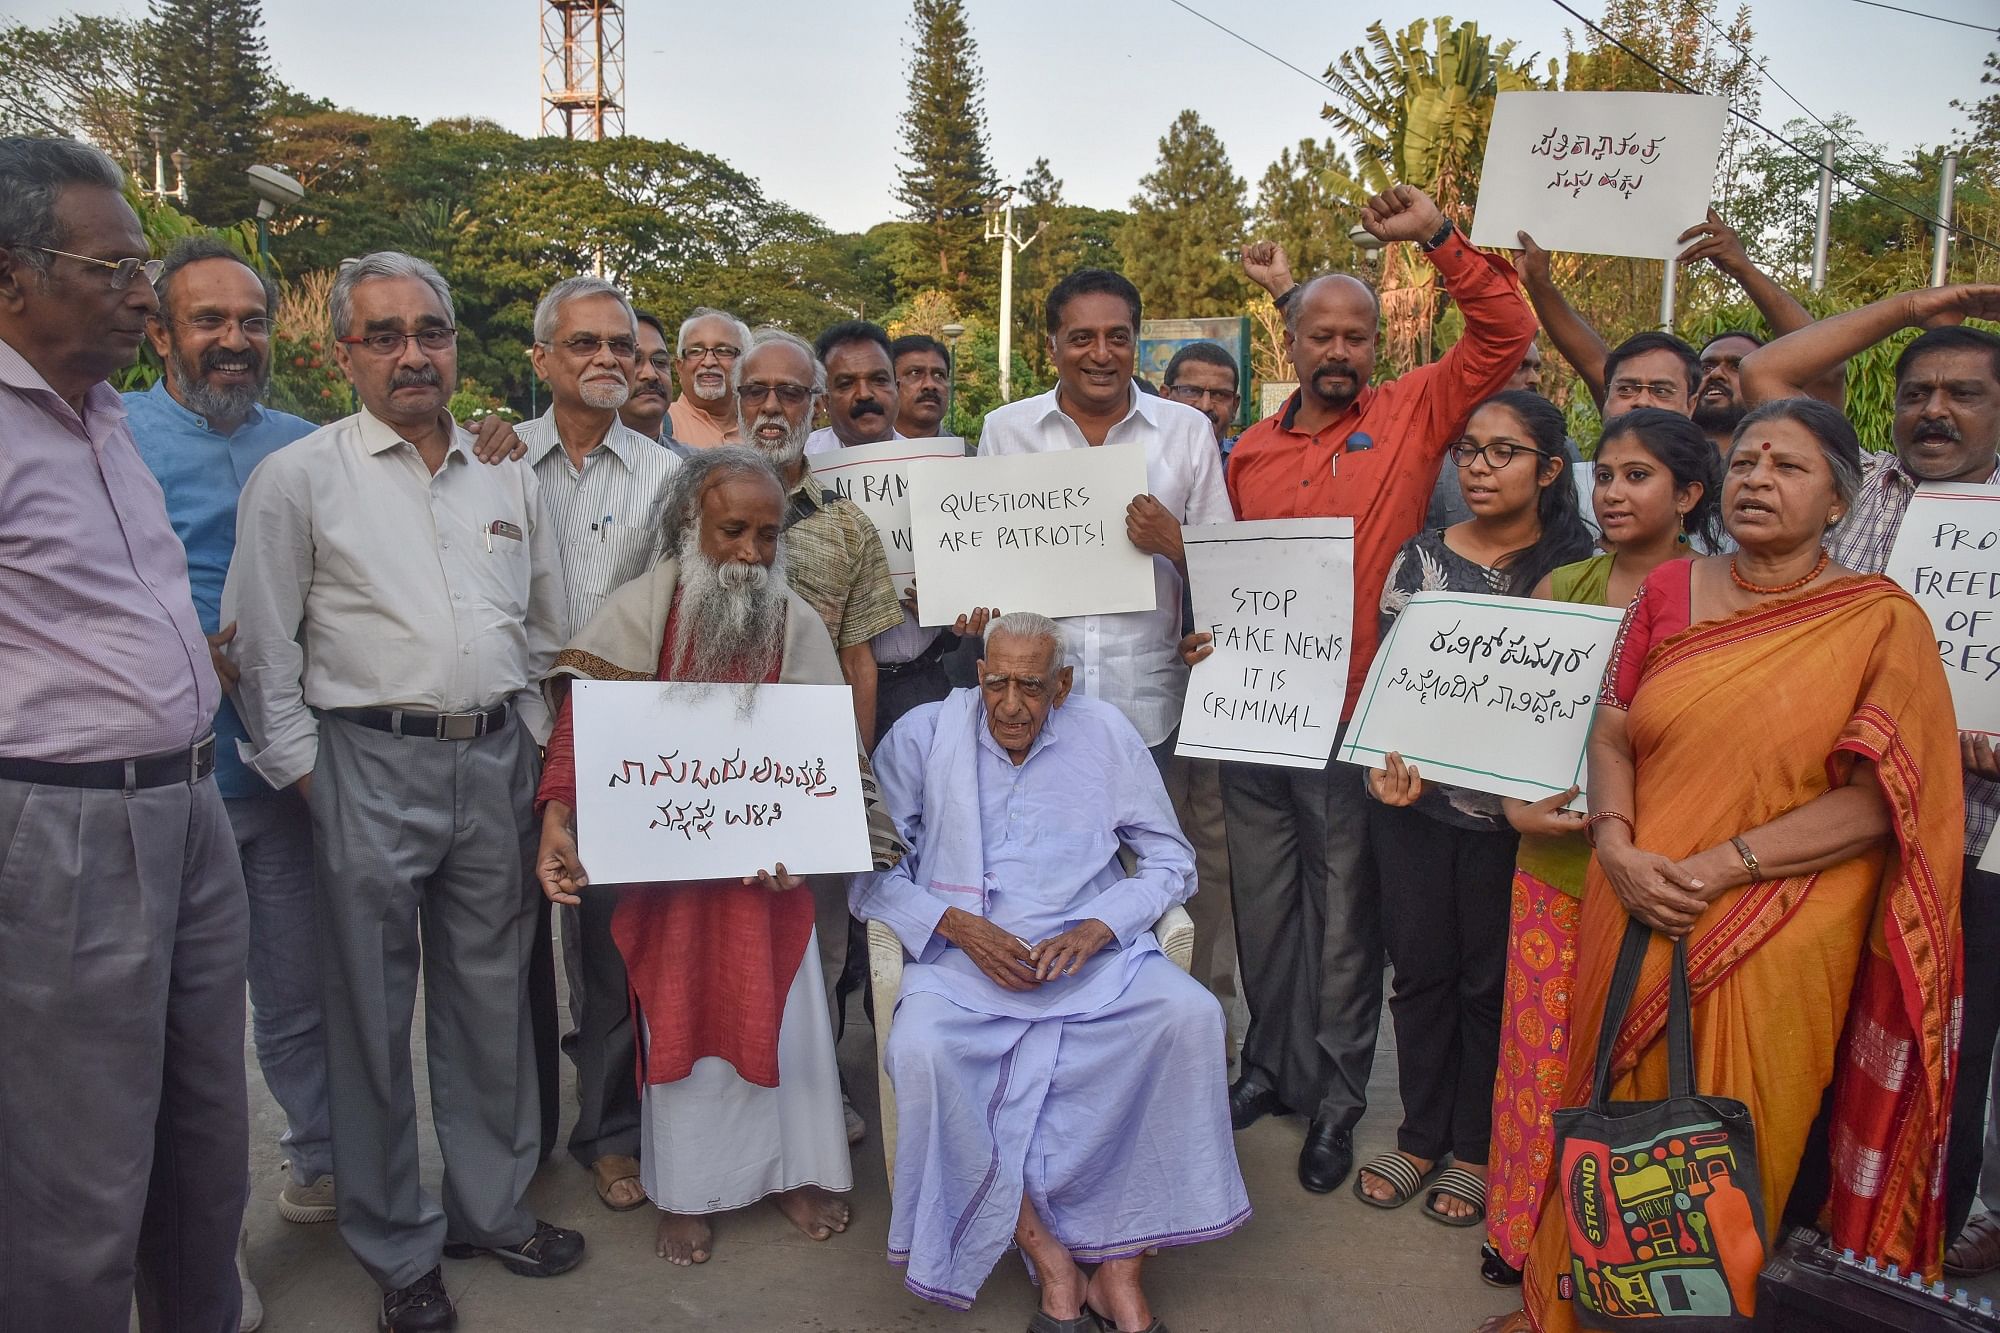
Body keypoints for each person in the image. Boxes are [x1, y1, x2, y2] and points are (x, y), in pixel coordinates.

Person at [1500, 398, 1962, 1333]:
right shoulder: (1671, 590)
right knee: (1604, 1112)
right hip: (1632, 893)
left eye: (1788, 466)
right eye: (1747, 460)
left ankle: (1695, 1317)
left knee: (1737, 1131)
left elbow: (1884, 802)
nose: (1756, 478)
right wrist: (1620, 844)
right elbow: (1614, 726)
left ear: (1840, 500)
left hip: (1780, 919)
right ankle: (1578, 1309)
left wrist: (1723, 864)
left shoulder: (1879, 621)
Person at [226, 251, 581, 1333]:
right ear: (341, 353)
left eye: (429, 331)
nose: (412, 352)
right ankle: (395, 1244)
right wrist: (304, 772)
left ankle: (490, 1207)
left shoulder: (503, 472)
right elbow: (260, 647)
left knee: (487, 1001)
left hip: (494, 759)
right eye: (384, 335)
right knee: (369, 1016)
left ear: (454, 347)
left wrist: (529, 745)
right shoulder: (300, 476)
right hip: (362, 764)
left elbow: (538, 626)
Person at [1226, 183, 1537, 1193]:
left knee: (1346, 922)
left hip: (1358, 717)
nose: (1339, 350)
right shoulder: (1245, 452)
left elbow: (1502, 330)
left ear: (1374, 345)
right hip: (1252, 716)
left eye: (1355, 335)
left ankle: (1334, 1101)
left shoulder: (1411, 411)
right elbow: (1223, 580)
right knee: (1263, 910)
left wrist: (1439, 239)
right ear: (1292, 341)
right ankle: (1265, 1068)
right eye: (1320, 332)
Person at [532, 446, 903, 1267]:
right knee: (684, 1030)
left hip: (772, 888)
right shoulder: (636, 610)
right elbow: (582, 730)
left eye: (768, 536)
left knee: (797, 1027)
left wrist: (808, 845)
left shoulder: (796, 621)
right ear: (688, 526)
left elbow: (825, 761)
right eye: (732, 530)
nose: (751, 553)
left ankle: (797, 1174)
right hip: (672, 894)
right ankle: (692, 1190)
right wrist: (558, 816)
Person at [0, 134, 248, 1333]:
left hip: (189, 808)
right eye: (112, 268)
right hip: (66, 829)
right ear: (11, 277)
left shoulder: (106, 417)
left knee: (203, 1137)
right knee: (77, 1170)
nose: (141, 293)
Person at [858, 612, 1250, 1330]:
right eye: (998, 682)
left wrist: (1101, 924)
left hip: (1090, 962)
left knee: (1192, 1018)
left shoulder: (1104, 733)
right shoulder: (925, 735)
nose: (1011, 703)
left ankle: (1121, 1271)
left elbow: (1171, 860)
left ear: (1061, 685)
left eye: (1031, 686)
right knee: (923, 1051)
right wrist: (954, 925)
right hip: (965, 965)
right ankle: (1055, 1262)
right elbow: (868, 870)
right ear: (978, 674)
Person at [1742, 284, 2000, 1272]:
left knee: (1943, 1059)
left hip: (1965, 840)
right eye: (1917, 391)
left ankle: (1903, 1258)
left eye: (1963, 394)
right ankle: (1794, 1227)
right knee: (1814, 1029)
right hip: (1828, 828)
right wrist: (1915, 306)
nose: (1933, 410)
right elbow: (1769, 375)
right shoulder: (1856, 489)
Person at [1477, 409, 1720, 1290]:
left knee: (1637, 1060)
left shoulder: (1721, 598)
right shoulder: (1563, 588)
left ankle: (1613, 1247)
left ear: (1690, 494)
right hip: (1555, 867)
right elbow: (1518, 729)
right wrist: (1514, 808)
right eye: (1605, 475)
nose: (1613, 492)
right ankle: (1519, 1228)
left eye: (1638, 476)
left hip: (1667, 873)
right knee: (1537, 1051)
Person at [126, 239, 331, 1258]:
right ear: (159, 331)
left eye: (251, 321)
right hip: (153, 784)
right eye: (209, 321)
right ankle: (190, 1253)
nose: (234, 341)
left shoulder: (312, 444)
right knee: (171, 1027)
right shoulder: (105, 436)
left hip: (281, 777)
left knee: (297, 991)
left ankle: (320, 1160)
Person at [1351, 392, 1594, 1228]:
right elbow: (1395, 681)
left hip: (1516, 825)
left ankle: (1478, 1149)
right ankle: (1419, 1135)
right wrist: (1384, 774)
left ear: (1550, 469)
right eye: (1469, 450)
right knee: (1418, 974)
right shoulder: (1419, 558)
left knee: (1492, 985)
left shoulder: (1574, 566)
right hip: (1413, 807)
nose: (1480, 466)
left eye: (1505, 452)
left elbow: (1577, 706)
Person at [519, 275, 683, 1216]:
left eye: (623, 345)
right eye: (584, 344)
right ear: (543, 359)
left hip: (621, 740)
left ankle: (611, 1134)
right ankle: (519, 1130)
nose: (608, 360)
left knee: (610, 949)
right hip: (512, 724)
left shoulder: (669, 476)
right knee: (498, 955)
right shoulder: (489, 461)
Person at [735, 325, 905, 1142]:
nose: (773, 407)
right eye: (757, 392)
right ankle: (728, 1112)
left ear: (815, 406)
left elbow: (861, 663)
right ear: (735, 401)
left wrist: (848, 782)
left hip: (812, 774)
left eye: (790, 393)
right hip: (706, 776)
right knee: (723, 942)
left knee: (820, 944)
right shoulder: (683, 508)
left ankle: (813, 1099)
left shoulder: (847, 528)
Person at [1514, 210, 1842, 450]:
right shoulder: (1643, 417)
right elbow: (1594, 360)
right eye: (1708, 365)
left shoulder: (1785, 446)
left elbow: (1825, 368)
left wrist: (1743, 269)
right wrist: (1539, 285)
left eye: (1738, 366)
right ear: (1689, 397)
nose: (1716, 374)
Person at [806, 320, 904, 456]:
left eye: (879, 380)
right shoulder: (797, 464)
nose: (864, 394)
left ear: (897, 390)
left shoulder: (930, 463)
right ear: (826, 401)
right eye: (846, 384)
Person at [667, 305, 749, 446]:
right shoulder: (657, 426)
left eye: (724, 351)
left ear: (746, 366)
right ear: (679, 367)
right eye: (696, 351)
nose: (709, 362)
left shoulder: (760, 432)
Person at [622, 310, 693, 457]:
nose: (651, 374)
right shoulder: (573, 462)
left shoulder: (696, 468)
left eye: (660, 362)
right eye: (635, 361)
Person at [1160, 338, 1242, 456]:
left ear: (1234, 406)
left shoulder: (1248, 465)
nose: (1205, 406)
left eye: (1219, 394)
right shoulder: (1140, 459)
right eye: (1192, 391)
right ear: (1165, 396)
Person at [892, 332, 951, 438]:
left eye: (939, 375)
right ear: (890, 383)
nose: (930, 385)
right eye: (915, 373)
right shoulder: (865, 452)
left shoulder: (972, 454)